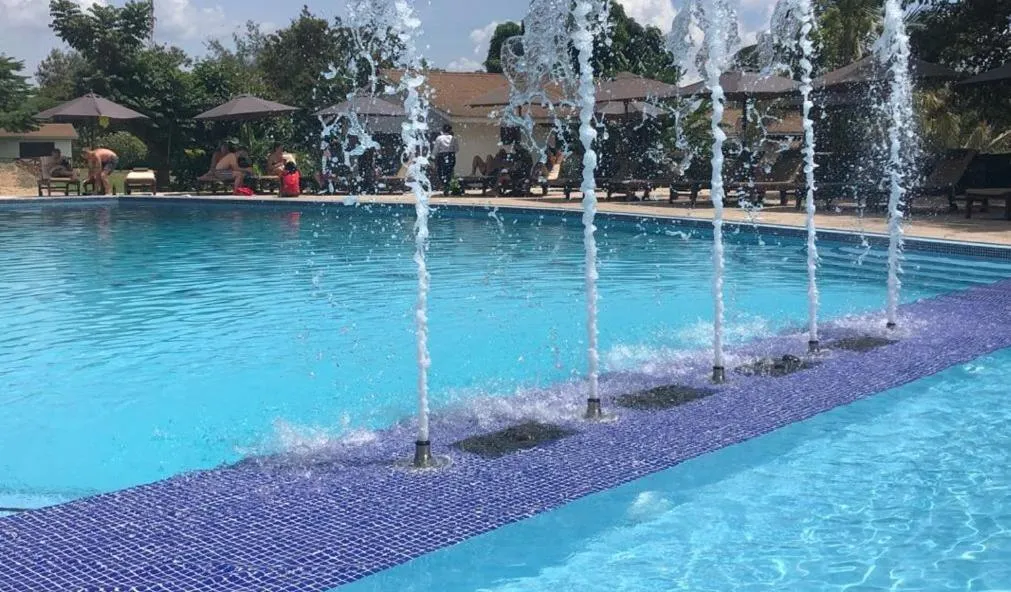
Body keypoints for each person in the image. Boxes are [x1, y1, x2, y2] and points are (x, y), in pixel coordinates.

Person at [433, 124, 459, 196]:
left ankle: (445, 186)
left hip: (441, 156)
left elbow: (436, 149)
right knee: (449, 172)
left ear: (443, 130)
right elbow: (457, 149)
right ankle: (447, 187)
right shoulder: (454, 138)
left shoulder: (439, 138)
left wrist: (433, 156)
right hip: (451, 156)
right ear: (450, 130)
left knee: (441, 172)